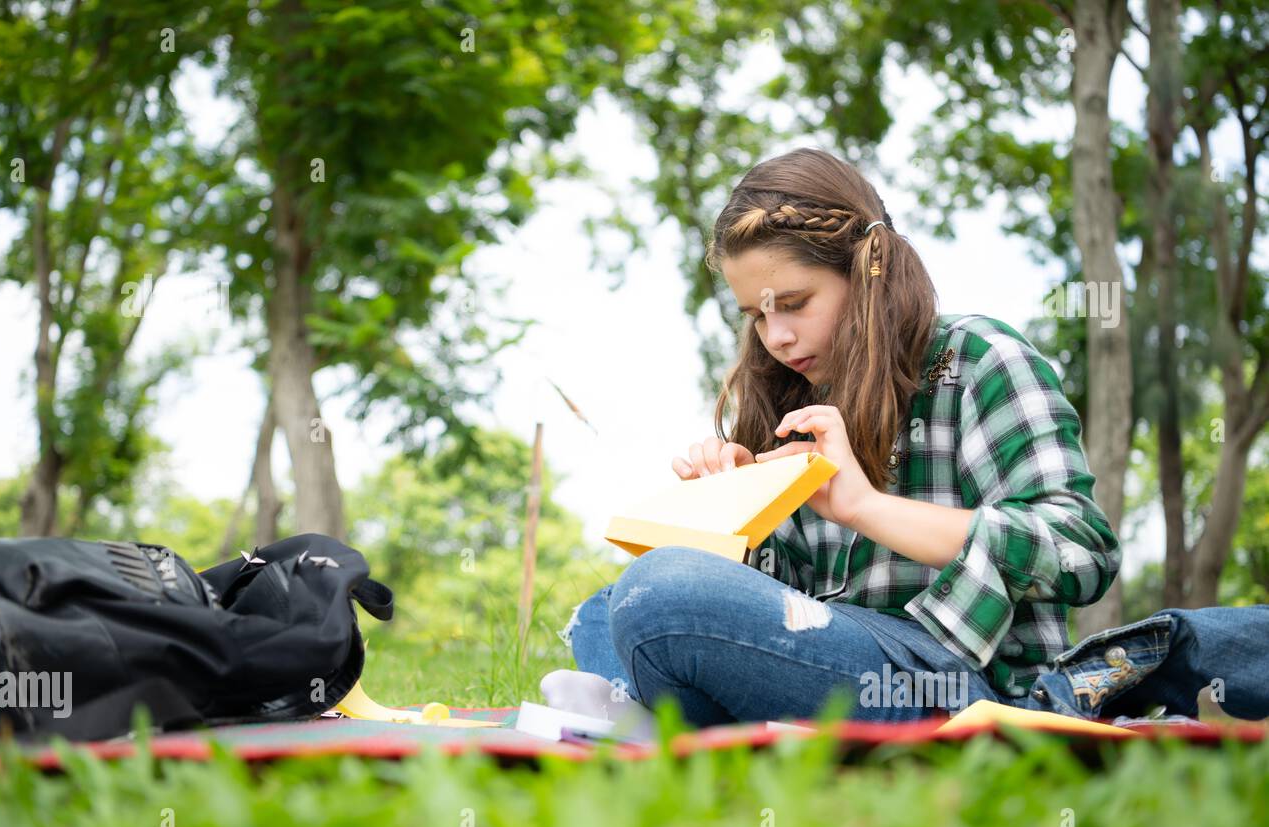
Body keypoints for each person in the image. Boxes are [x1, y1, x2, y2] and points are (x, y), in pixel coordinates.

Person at [543, 146, 1269, 732]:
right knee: (612, 607)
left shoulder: (980, 359)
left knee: (660, 600)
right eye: (757, 316)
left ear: (868, 272)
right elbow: (783, 612)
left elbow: (1083, 552)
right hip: (831, 656)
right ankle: (689, 718)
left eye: (794, 305)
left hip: (960, 677)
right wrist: (729, 521)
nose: (777, 336)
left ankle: (652, 719)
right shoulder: (792, 397)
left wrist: (865, 506)